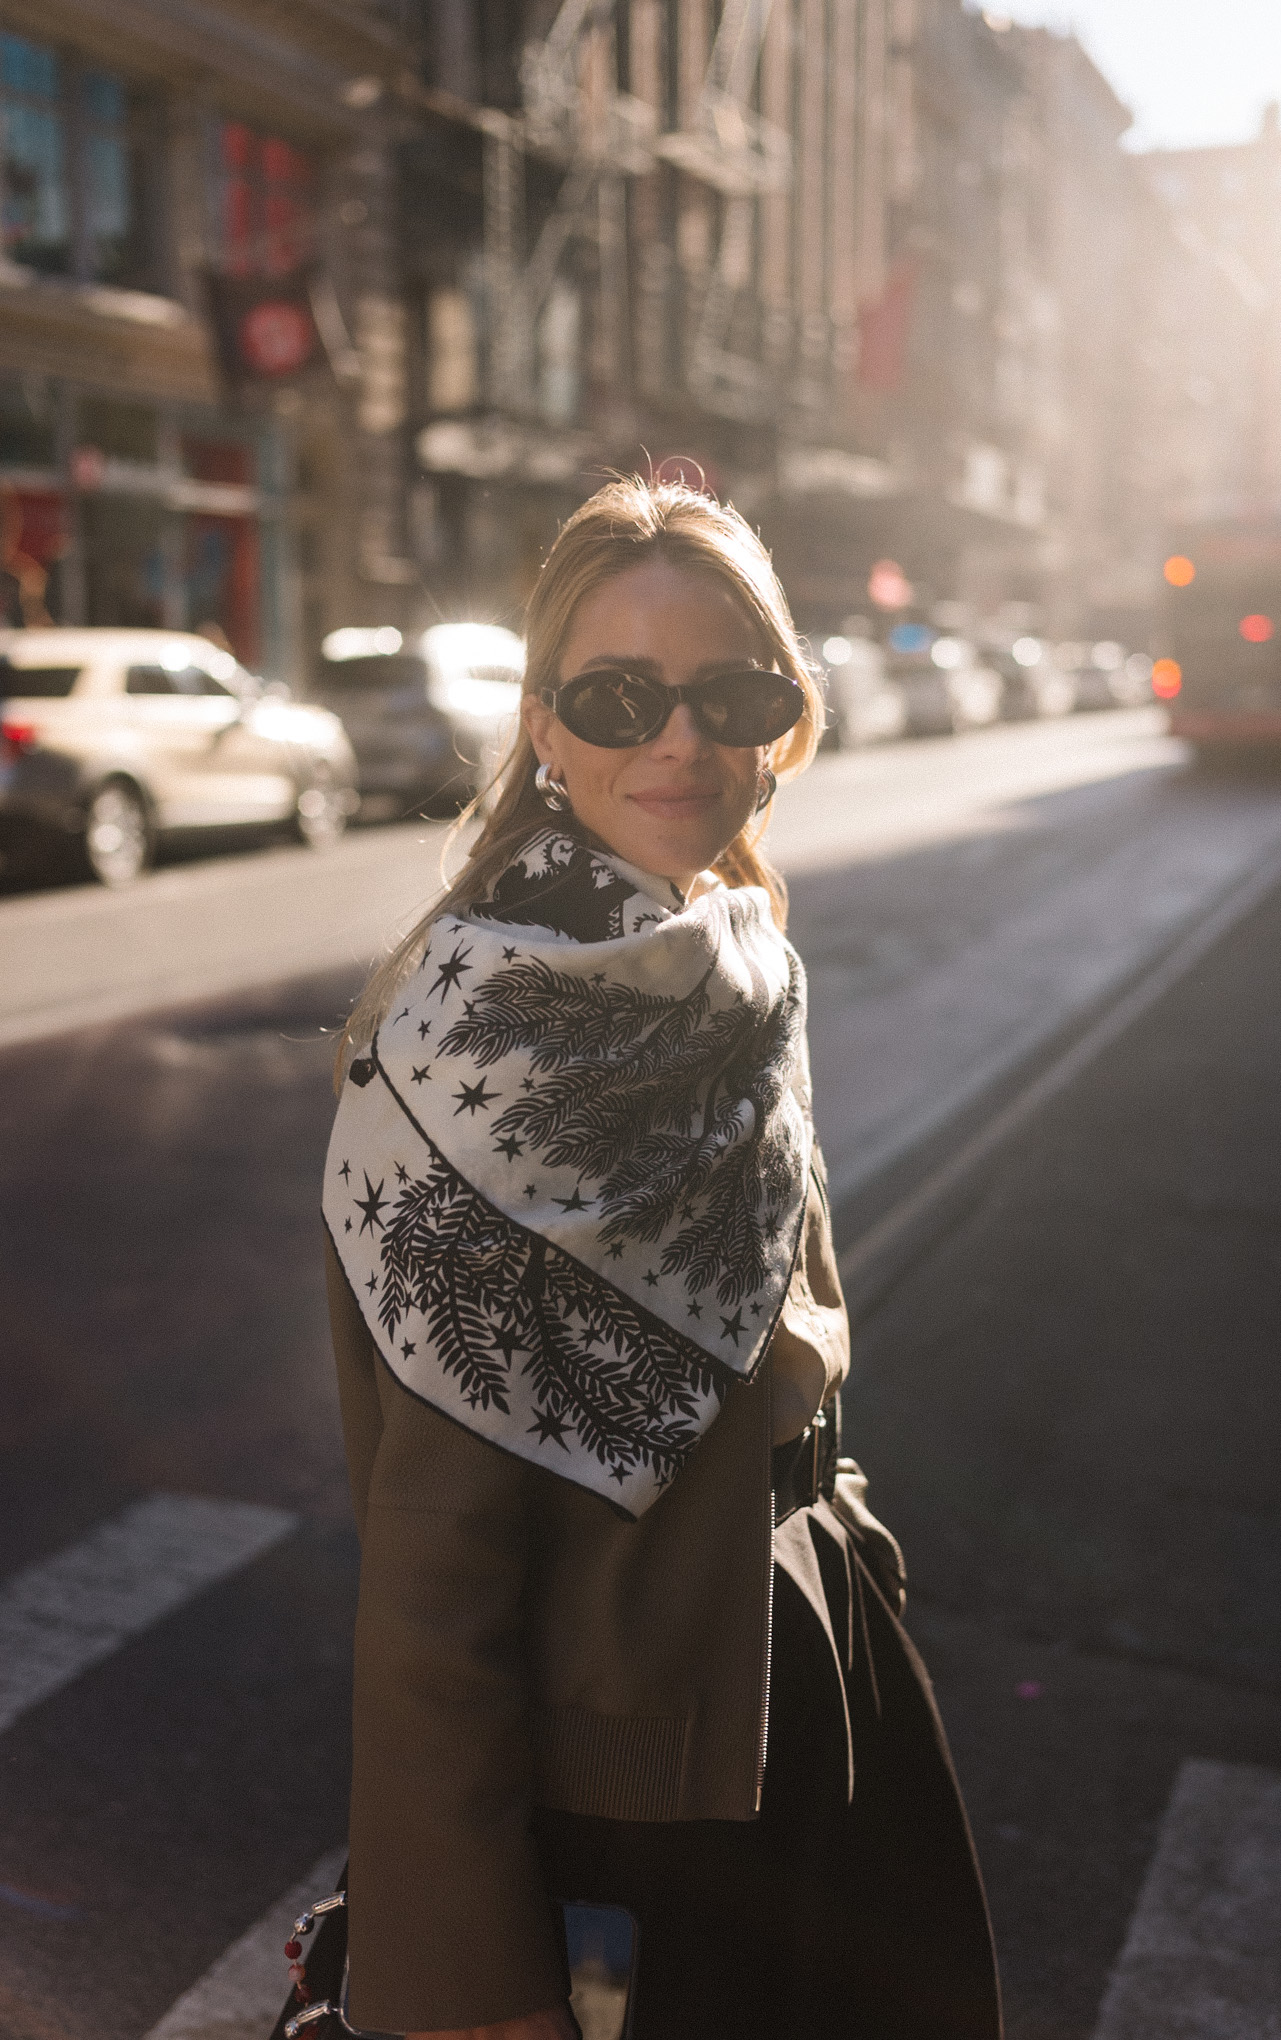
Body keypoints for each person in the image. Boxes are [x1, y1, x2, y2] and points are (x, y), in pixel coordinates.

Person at [323, 478, 1001, 2040]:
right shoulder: (482, 1035)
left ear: (784, 717)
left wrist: (845, 1562)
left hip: (806, 1660)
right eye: (620, 699)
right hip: (644, 1785)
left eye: (730, 694)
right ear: (546, 727)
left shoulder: (733, 954)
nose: (678, 743)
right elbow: (432, 1566)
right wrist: (469, 1985)